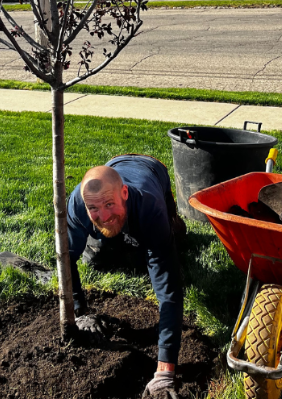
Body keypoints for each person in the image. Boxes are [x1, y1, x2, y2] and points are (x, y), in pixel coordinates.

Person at [67, 155, 185, 398]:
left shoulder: (149, 206)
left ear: (124, 193)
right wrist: (79, 312)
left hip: (153, 169)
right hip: (116, 164)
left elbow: (168, 287)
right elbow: (65, 258)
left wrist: (165, 371)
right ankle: (115, 236)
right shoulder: (77, 204)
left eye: (109, 204)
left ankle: (172, 226)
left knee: (173, 236)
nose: (103, 214)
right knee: (103, 248)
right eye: (94, 209)